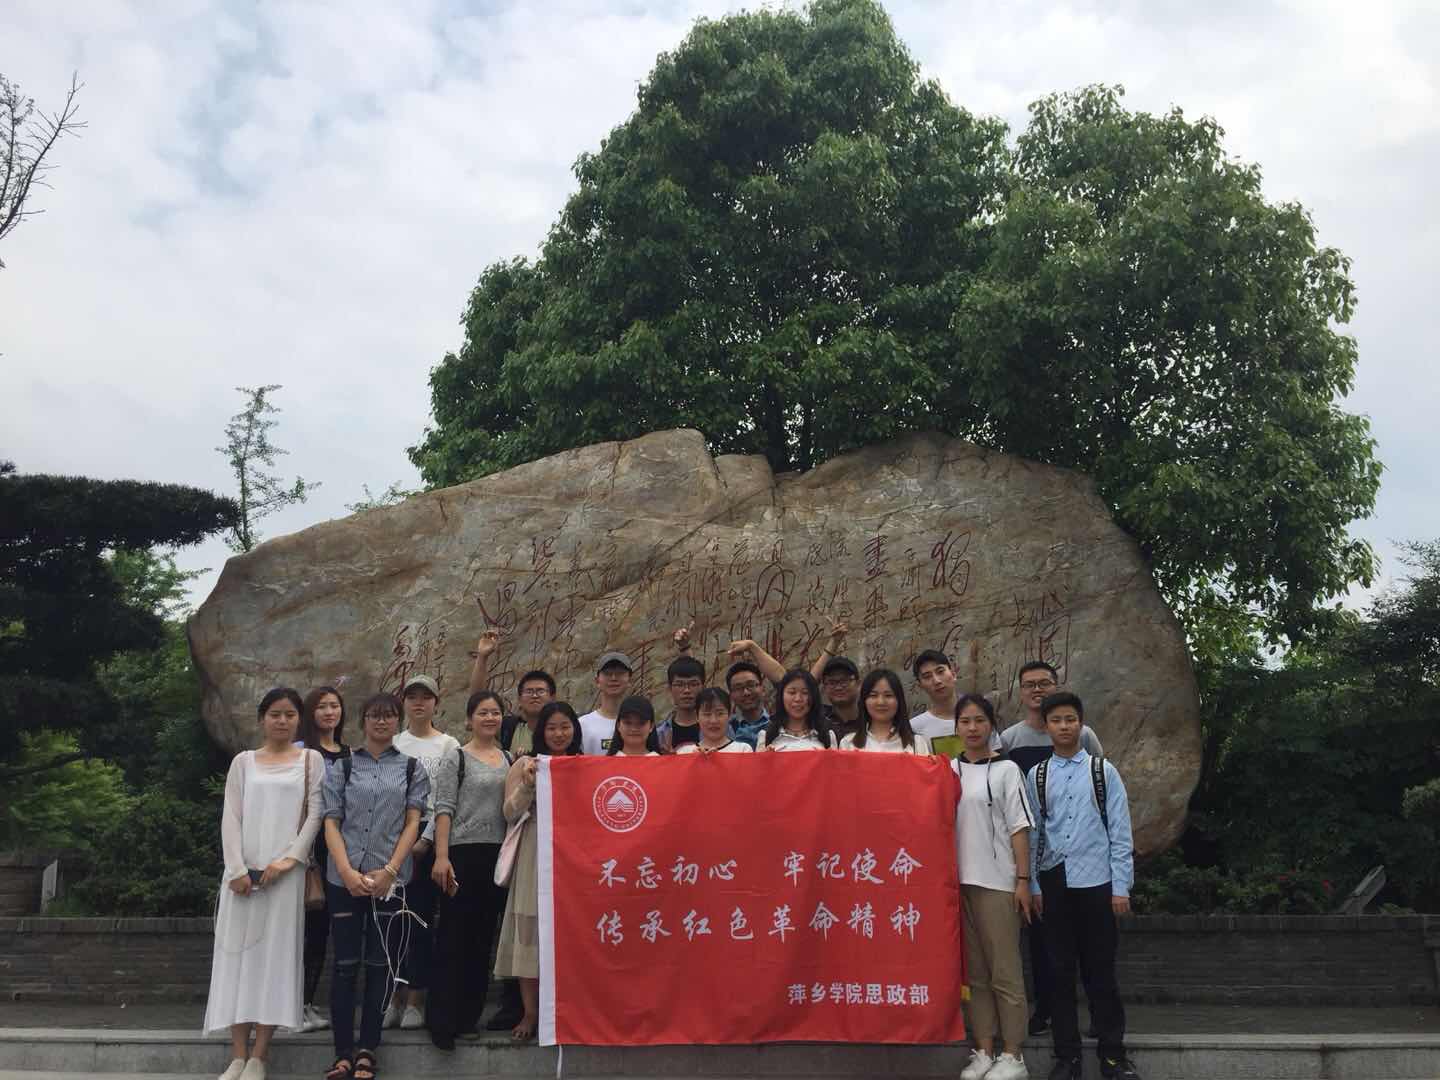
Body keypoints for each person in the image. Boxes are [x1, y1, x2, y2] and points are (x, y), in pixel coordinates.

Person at [204, 688, 323, 1080]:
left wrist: (289, 860)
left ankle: (260, 1055)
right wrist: (236, 869)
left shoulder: (311, 761)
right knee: (236, 960)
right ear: (261, 719)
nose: (282, 721)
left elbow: (315, 815)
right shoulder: (243, 762)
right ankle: (237, 1055)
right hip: (241, 878)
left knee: (276, 959)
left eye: (290, 714)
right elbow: (231, 817)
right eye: (275, 714)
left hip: (284, 878)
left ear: (299, 720)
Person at [1026, 692, 1139, 1080]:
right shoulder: (1037, 775)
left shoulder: (1102, 771)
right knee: (1058, 974)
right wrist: (1035, 885)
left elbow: (1120, 831)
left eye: (1070, 719)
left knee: (1101, 972)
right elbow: (1035, 835)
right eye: (1056, 720)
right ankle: (1067, 1058)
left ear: (1081, 723)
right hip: (1054, 882)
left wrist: (1121, 886)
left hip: (1098, 882)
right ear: (1046, 725)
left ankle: (1113, 1056)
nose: (1064, 726)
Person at [321, 691, 429, 1080]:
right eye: (374, 715)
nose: (381, 721)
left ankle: (368, 1049)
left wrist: (390, 870)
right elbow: (331, 820)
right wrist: (347, 871)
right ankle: (342, 1053)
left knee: (381, 964)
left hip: (390, 879)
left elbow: (413, 823)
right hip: (343, 879)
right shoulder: (344, 766)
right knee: (345, 965)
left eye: (388, 715)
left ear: (398, 721)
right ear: (363, 720)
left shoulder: (412, 768)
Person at [1001, 660, 1103, 1037]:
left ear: (1057, 686)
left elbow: (1100, 788)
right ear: (1020, 691)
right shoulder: (1010, 740)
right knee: (1043, 943)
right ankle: (1046, 1011)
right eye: (1029, 684)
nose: (1037, 690)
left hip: (1084, 858)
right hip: (1038, 856)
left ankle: (1098, 1016)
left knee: (1091, 945)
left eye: (1044, 683)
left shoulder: (1084, 735)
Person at [953, 694, 1032, 1080]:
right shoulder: (947, 769)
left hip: (998, 883)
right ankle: (983, 1049)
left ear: (991, 725)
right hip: (958, 884)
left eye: (979, 720)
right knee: (975, 975)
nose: (972, 728)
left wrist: (1023, 880)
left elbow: (1019, 828)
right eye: (965, 721)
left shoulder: (1007, 770)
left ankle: (1013, 1054)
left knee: (1005, 972)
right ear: (956, 727)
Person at [427, 690, 512, 1050]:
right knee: (453, 938)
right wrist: (441, 856)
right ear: (469, 719)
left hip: (497, 857)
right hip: (461, 856)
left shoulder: (509, 759)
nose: (490, 718)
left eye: (495, 713)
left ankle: (467, 1018)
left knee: (481, 941)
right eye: (483, 713)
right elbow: (444, 807)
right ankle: (441, 1020)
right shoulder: (456, 757)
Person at [495, 701, 583, 1040]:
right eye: (551, 727)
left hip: (575, 858)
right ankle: (530, 1014)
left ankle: (568, 1009)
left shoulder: (585, 765)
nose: (559, 734)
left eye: (565, 726)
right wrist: (528, 784)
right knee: (530, 932)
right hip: (534, 854)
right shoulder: (526, 764)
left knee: (572, 931)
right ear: (541, 731)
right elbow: (508, 812)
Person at [387, 674, 459, 1031]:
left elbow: (445, 798)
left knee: (419, 920)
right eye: (412, 696)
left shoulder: (448, 745)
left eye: (426, 697)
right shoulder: (394, 743)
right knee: (390, 922)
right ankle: (392, 997)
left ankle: (416, 998)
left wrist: (426, 840)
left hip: (430, 840)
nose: (419, 702)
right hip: (391, 841)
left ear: (436, 702)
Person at [297, 686, 350, 1034]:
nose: (329, 712)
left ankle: (306, 1002)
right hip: (308, 848)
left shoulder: (349, 753)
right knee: (303, 930)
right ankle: (293, 1004)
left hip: (340, 848)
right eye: (322, 706)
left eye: (334, 706)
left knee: (322, 932)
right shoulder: (301, 752)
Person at [838, 669, 931, 753]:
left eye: (888, 695)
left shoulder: (916, 744)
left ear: (899, 700)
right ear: (864, 701)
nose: (881, 702)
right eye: (873, 695)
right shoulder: (848, 743)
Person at [756, 670, 834, 751]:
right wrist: (766, 757)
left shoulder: (827, 734)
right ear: (781, 696)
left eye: (805, 693)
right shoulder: (766, 736)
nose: (798, 699)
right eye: (792, 692)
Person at [579, 652, 634, 754]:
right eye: (607, 673)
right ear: (597, 681)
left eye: (620, 673)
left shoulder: (639, 726)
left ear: (630, 680)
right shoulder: (582, 724)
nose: (613, 678)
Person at [676, 687, 753, 754]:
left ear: (729, 715)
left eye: (720, 713)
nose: (713, 721)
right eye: (707, 714)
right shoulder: (684, 752)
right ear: (697, 716)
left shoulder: (743, 750)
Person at [655, 654, 706, 751]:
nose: (687, 690)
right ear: (669, 689)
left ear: (703, 687)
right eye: (679, 684)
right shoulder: (660, 734)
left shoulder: (717, 728)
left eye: (693, 684)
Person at [724, 659, 771, 748]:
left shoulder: (777, 725)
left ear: (763, 689)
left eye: (751, 685)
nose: (746, 693)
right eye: (738, 688)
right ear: (731, 695)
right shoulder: (725, 729)